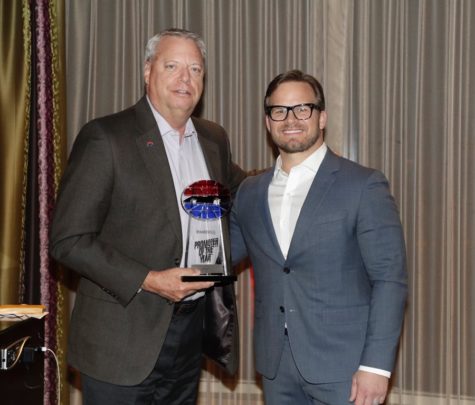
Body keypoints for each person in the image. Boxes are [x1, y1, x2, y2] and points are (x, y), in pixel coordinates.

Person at [50, 28, 245, 405]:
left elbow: (241, 190)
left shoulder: (213, 139)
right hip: (120, 342)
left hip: (189, 337)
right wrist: (149, 280)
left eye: (195, 69)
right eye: (172, 66)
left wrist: (296, 172)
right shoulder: (106, 138)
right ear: (147, 70)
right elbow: (67, 240)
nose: (185, 79)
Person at [230, 70, 407, 405]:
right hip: (276, 367)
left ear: (322, 117)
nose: (291, 119)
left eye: (303, 109)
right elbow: (218, 258)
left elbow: (390, 280)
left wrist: (376, 367)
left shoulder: (363, 185)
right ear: (268, 122)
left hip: (347, 369)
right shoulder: (250, 192)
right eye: (279, 111)